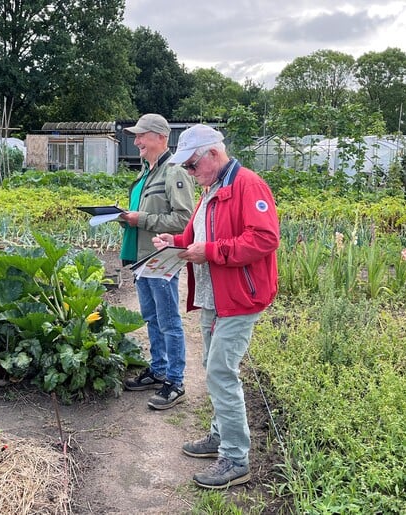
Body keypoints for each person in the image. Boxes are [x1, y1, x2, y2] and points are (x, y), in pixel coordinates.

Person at [153, 124, 279, 488]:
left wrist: (208, 252)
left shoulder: (248, 185)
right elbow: (199, 236)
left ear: (212, 153)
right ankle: (219, 437)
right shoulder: (212, 189)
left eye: (192, 166)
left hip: (240, 296)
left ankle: (236, 458)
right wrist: (174, 241)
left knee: (221, 372)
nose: (190, 174)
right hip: (214, 294)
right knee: (212, 366)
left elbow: (264, 238)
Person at [120, 114, 195, 409]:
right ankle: (158, 369)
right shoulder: (147, 172)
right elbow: (144, 215)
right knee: (151, 317)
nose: (136, 141)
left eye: (142, 136)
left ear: (161, 137)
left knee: (168, 321)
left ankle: (175, 381)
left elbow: (184, 220)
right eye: (136, 136)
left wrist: (143, 219)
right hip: (141, 258)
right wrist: (126, 219)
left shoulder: (174, 171)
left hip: (160, 259)